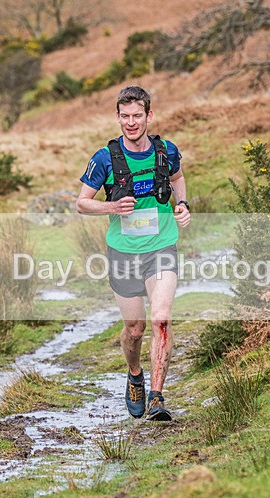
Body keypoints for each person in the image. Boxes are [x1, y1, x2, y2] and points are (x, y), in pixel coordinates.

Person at [76, 85, 191, 421]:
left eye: (137, 115)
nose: (131, 122)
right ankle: (135, 375)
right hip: (123, 253)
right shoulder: (104, 159)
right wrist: (111, 206)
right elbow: (82, 203)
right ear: (118, 117)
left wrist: (181, 204)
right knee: (136, 328)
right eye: (124, 116)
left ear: (148, 116)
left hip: (161, 247)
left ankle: (156, 397)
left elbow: (178, 178)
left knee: (162, 319)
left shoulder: (166, 150)